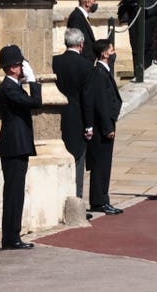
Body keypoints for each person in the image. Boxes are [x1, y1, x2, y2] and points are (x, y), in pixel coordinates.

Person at [0, 44, 42, 249]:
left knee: (16, 191)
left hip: (17, 146)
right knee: (14, 192)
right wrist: (33, 81)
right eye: (21, 65)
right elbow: (35, 103)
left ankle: (13, 235)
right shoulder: (8, 89)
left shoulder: (13, 87)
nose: (24, 68)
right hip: (14, 146)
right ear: (14, 68)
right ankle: (11, 237)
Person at [52, 28, 94, 200]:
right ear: (81, 44)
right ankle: (76, 200)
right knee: (77, 159)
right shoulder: (85, 65)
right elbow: (87, 98)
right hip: (77, 117)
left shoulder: (54, 61)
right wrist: (89, 125)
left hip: (57, 114)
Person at [87, 39, 123, 215]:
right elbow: (101, 103)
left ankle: (102, 198)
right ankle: (99, 200)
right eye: (112, 50)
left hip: (106, 125)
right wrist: (108, 127)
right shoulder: (99, 73)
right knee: (101, 164)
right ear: (104, 54)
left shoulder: (103, 72)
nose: (114, 53)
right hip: (103, 128)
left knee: (104, 165)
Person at [66, 0, 98, 64]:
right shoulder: (76, 17)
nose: (96, 3)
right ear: (87, 3)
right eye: (94, 1)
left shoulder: (82, 16)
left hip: (88, 60)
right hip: (82, 60)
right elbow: (75, 41)